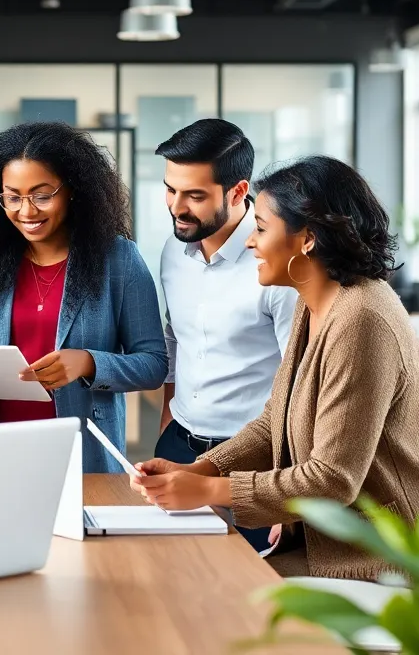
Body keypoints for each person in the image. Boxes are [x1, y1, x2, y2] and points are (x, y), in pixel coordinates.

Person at [131, 156, 419, 580]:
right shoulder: (314, 302)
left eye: (261, 229)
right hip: (332, 540)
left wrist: (211, 490)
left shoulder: (361, 319)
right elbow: (273, 423)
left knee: (220, 601)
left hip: (389, 557)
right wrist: (200, 469)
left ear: (307, 239)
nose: (250, 242)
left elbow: (333, 479)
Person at [0, 121, 168, 472]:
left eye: (42, 194)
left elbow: (154, 363)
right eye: (13, 197)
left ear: (72, 190)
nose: (27, 211)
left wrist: (89, 363)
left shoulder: (118, 259)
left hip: (81, 454)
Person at [153, 120, 297, 552]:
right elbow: (175, 340)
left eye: (195, 196)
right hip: (179, 443)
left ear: (237, 192)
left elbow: (301, 381)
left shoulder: (276, 260)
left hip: (255, 460)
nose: (177, 207)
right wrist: (168, 420)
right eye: (170, 190)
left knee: (243, 599)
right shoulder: (173, 250)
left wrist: (289, 498)